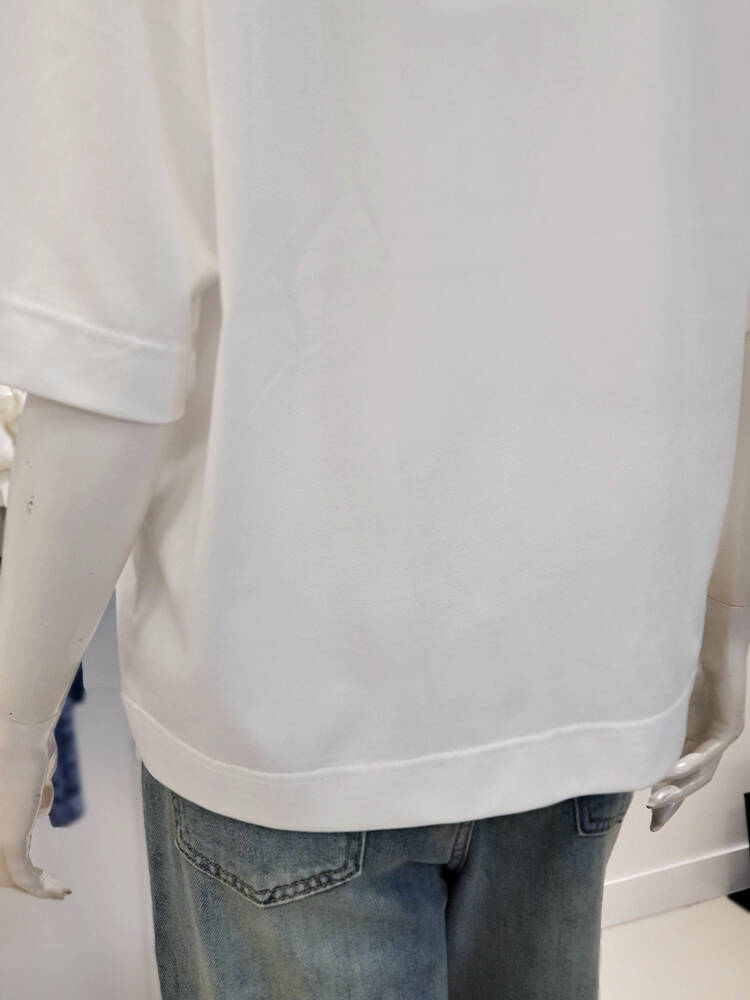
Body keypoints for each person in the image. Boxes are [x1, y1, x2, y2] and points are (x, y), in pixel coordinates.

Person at [0, 2, 748, 997]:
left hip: (292, 704)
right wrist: (722, 612)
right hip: (589, 660)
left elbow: (105, 360)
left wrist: (15, 723)